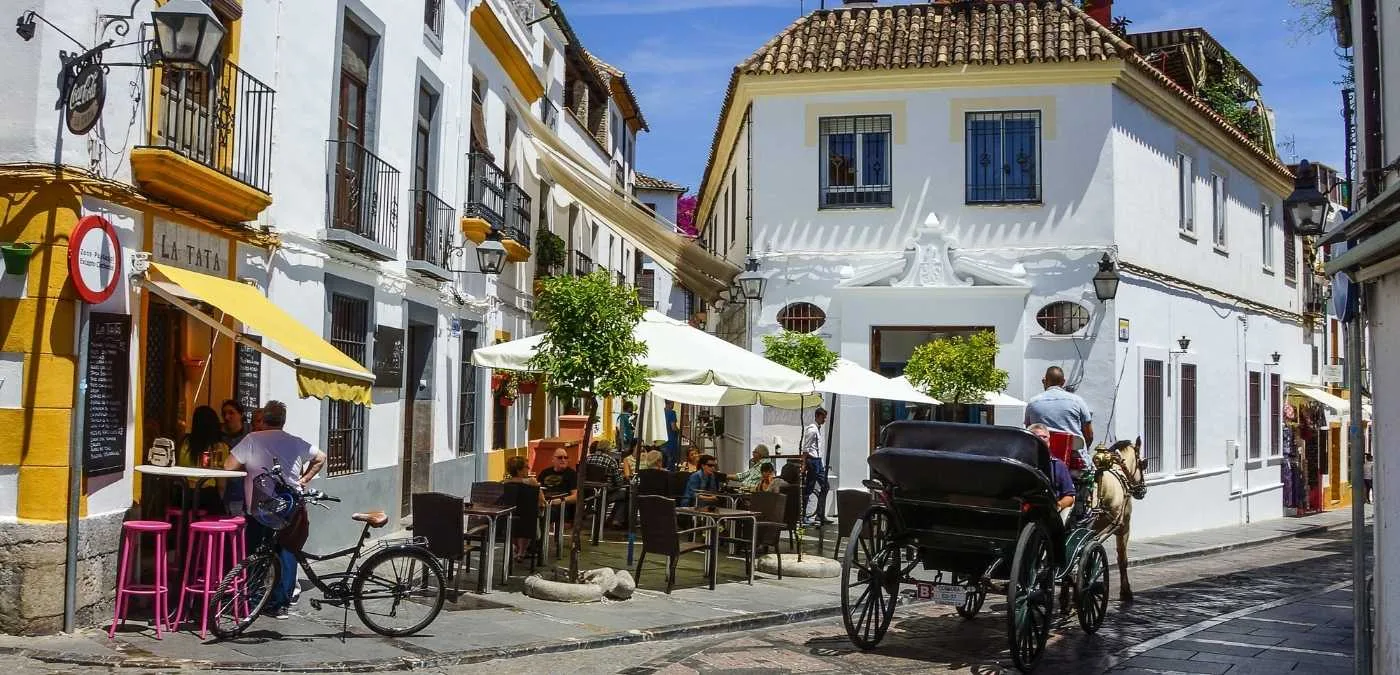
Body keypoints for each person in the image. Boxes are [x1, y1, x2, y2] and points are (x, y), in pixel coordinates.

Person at [224, 401, 326, 619]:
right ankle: (281, 604)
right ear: (283, 421)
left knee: (256, 551)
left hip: (259, 508)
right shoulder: (295, 442)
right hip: (290, 505)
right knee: (286, 552)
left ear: (265, 419)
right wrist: (304, 478)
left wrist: (250, 464)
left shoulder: (252, 439)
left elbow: (228, 466)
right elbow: (321, 457)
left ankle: (252, 598)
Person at [1024, 366, 1094, 470]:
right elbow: (1089, 435)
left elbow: (1029, 430)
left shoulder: (1033, 403)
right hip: (1073, 460)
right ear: (1064, 382)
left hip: (1042, 460)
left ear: (1044, 381)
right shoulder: (1077, 401)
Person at [177, 405, 230, 513]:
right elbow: (221, 484)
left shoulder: (183, 443)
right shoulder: (220, 447)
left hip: (181, 496)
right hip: (206, 496)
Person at [1028, 424, 1077, 524]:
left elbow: (1069, 497)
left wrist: (1058, 505)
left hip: (1049, 513)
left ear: (1049, 442)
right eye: (1036, 436)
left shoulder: (1058, 465)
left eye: (1044, 437)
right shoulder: (1021, 463)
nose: (1041, 439)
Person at [503, 456, 545, 562]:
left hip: (509, 522)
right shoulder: (532, 483)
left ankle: (518, 549)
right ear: (519, 470)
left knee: (517, 519)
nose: (529, 467)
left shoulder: (505, 483)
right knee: (529, 517)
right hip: (529, 525)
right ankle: (522, 552)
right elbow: (542, 501)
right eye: (526, 466)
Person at [584, 440, 628, 528]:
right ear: (608, 450)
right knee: (627, 493)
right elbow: (618, 482)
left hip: (588, 493)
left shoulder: (587, 458)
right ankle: (614, 519)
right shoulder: (611, 461)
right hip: (604, 494)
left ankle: (594, 513)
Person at [801, 408, 831, 526]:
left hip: (818, 461)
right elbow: (805, 448)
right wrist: (804, 464)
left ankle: (820, 514)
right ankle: (803, 515)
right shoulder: (812, 430)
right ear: (818, 416)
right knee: (809, 488)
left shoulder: (817, 429)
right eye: (823, 417)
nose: (824, 420)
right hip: (812, 461)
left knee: (825, 486)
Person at [220, 400, 249, 515]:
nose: (227, 417)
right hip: (224, 486)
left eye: (231, 413)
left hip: (244, 487)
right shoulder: (218, 435)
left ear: (241, 414)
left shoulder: (250, 434)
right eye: (224, 414)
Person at [664, 400, 681, 470]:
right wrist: (679, 431)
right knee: (671, 460)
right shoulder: (672, 413)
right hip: (671, 439)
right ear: (671, 403)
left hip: (662, 440)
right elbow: (673, 427)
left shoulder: (662, 412)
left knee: (664, 460)